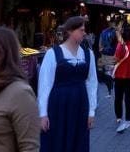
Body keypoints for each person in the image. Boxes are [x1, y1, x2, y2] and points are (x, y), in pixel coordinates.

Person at [38, 17, 98, 152]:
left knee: (78, 142)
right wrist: (43, 114)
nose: (84, 33)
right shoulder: (52, 54)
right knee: (57, 141)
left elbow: (92, 83)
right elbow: (44, 86)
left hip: (80, 106)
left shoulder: (88, 54)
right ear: (70, 31)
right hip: (58, 106)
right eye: (81, 30)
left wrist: (91, 111)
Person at [112, 23, 130, 133]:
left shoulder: (120, 45)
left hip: (119, 75)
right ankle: (128, 120)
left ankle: (119, 118)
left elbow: (116, 58)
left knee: (118, 98)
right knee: (128, 99)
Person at [95, 17, 117, 98]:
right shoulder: (116, 32)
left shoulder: (103, 32)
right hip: (113, 54)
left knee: (108, 71)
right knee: (111, 71)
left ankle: (109, 89)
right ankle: (110, 87)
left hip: (105, 53)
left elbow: (100, 44)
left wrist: (101, 51)